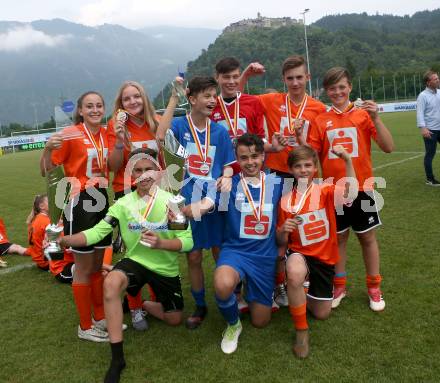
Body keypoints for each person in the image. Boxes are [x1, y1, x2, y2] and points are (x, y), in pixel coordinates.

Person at [58, 148, 193, 383]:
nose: (143, 175)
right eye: (137, 170)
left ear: (159, 173)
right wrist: (67, 240)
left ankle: (145, 304)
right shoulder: (123, 204)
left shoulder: (172, 201)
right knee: (111, 283)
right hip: (136, 262)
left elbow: (188, 242)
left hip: (164, 268)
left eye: (148, 169)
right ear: (131, 175)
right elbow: (96, 232)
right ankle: (117, 358)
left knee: (174, 320)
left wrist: (161, 243)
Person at [181, 134, 283, 353]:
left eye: (255, 156)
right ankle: (233, 324)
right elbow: (208, 204)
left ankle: (253, 294)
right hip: (235, 252)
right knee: (223, 284)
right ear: (236, 159)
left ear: (263, 156)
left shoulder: (277, 183)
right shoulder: (229, 185)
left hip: (264, 257)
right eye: (244, 158)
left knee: (260, 321)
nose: (250, 162)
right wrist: (187, 211)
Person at [240, 55, 327, 306]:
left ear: (308, 78)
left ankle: (301, 278)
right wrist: (246, 74)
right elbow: (241, 99)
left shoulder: (318, 108)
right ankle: (277, 284)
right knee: (275, 232)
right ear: (283, 80)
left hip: (304, 177)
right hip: (277, 176)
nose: (295, 82)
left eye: (300, 77)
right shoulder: (272, 100)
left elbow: (319, 147)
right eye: (290, 78)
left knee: (304, 230)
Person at [306, 67, 394, 312]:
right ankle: (340, 286)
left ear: (350, 87)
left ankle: (374, 288)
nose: (337, 92)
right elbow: (312, 156)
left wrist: (376, 118)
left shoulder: (364, 116)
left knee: (367, 237)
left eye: (342, 86)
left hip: (363, 189)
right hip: (333, 192)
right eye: (332, 88)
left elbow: (388, 147)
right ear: (326, 90)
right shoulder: (320, 120)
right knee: (339, 239)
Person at [157, 76, 236, 329]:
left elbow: (228, 165)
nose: (213, 100)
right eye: (207, 96)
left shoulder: (220, 131)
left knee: (219, 252)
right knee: (193, 256)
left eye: (214, 95)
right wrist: (173, 98)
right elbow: (160, 137)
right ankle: (200, 305)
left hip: (214, 201)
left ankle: (229, 297)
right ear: (192, 99)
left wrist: (226, 176)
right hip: (187, 202)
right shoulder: (180, 126)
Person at [40, 91, 120, 341]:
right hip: (79, 201)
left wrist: (119, 138)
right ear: (81, 110)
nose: (95, 109)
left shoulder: (108, 132)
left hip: (102, 198)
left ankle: (99, 318)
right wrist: (46, 149)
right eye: (89, 106)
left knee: (97, 265)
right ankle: (85, 326)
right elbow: (46, 170)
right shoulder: (70, 134)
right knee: (84, 268)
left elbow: (114, 166)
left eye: (99, 105)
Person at [212, 57, 287, 312]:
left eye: (235, 77)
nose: (231, 81)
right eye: (226, 77)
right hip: (224, 180)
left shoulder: (253, 103)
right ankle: (235, 287)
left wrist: (272, 148)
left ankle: (274, 284)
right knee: (226, 232)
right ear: (217, 78)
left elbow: (258, 140)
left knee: (265, 228)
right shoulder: (212, 106)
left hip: (254, 177)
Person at [277, 145, 357, 358]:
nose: (303, 170)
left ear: (314, 168)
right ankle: (301, 331)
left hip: (324, 258)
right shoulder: (286, 201)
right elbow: (280, 240)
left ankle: (302, 290)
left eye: (308, 165)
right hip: (299, 254)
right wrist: (283, 231)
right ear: (291, 169)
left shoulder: (326, 190)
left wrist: (347, 160)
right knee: (294, 271)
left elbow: (352, 191)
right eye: (298, 166)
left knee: (322, 314)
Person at [416, 70, 440, 186]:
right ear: (428, 82)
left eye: (438, 78)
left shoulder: (439, 92)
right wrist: (423, 128)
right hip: (430, 130)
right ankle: (430, 179)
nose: (438, 80)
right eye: (435, 79)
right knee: (430, 154)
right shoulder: (423, 96)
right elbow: (420, 113)